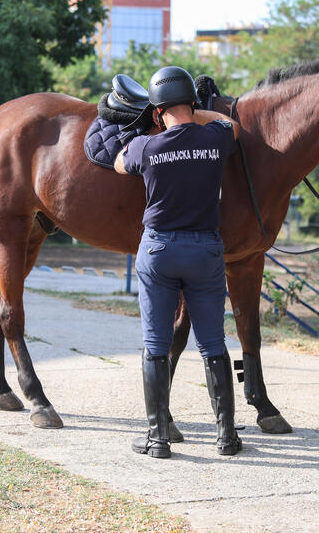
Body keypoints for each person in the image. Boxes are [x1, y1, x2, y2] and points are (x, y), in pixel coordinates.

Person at [114, 66, 242, 459]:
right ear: (191, 104)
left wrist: (154, 128)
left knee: (155, 345)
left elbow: (119, 162)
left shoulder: (146, 147)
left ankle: (158, 440)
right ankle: (226, 437)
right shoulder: (215, 138)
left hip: (159, 251)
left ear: (157, 112)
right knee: (213, 344)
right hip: (205, 251)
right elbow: (232, 126)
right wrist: (198, 113)